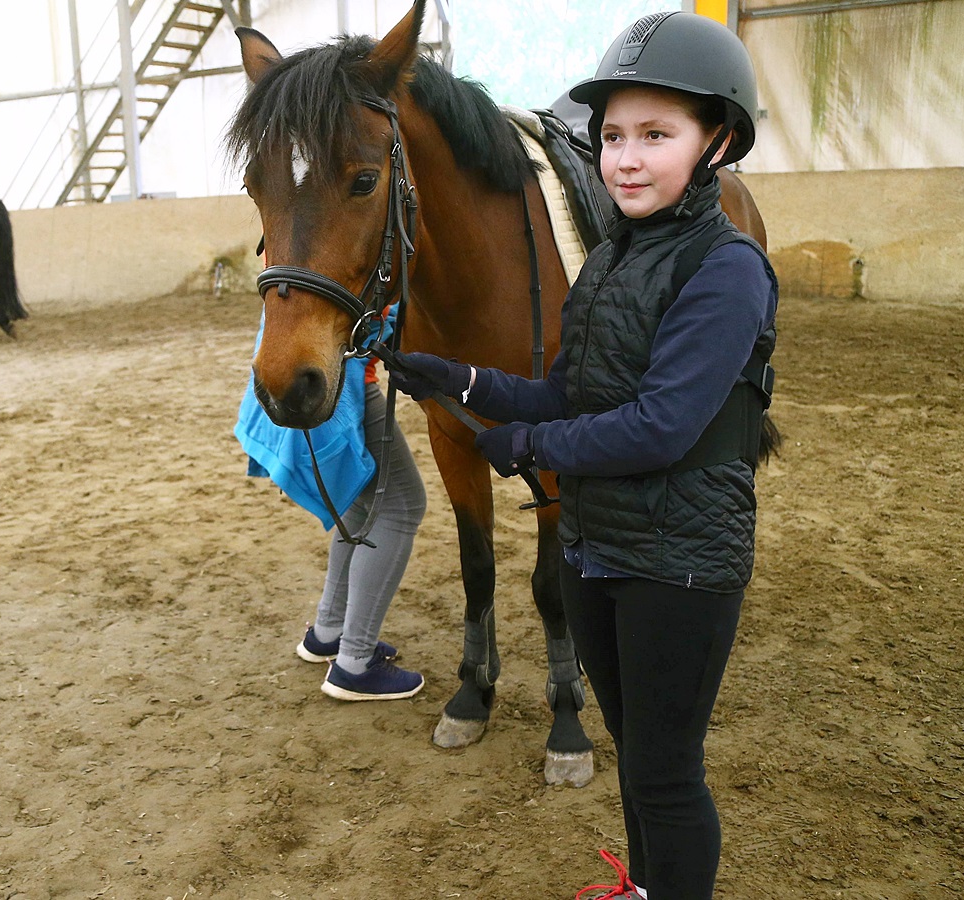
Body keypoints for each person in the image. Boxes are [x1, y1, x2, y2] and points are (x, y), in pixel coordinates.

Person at [387, 12, 777, 899]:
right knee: (638, 760)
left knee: (667, 775)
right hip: (599, 547)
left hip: (681, 562)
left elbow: (658, 427)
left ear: (717, 143)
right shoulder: (610, 260)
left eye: (655, 135)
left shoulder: (726, 270)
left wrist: (521, 445)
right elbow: (566, 392)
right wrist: (455, 377)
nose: (626, 159)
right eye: (611, 137)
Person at [235, 307, 427, 701]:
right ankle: (355, 663)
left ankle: (328, 632)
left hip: (306, 373)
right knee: (402, 507)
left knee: (358, 506)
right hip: (341, 384)